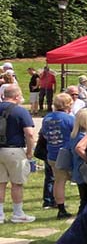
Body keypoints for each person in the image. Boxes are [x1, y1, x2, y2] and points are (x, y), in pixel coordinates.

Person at [0, 84, 36, 223]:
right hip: (14, 149)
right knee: (17, 183)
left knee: (0, 183)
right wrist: (29, 151)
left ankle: (0, 214)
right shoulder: (20, 111)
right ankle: (17, 213)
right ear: (16, 96)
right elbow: (29, 133)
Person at [42, 93, 76, 219]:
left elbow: (45, 135)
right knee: (77, 178)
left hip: (52, 153)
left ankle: (60, 207)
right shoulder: (70, 119)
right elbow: (75, 135)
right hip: (67, 153)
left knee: (58, 181)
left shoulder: (47, 118)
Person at [69, 108, 87, 214]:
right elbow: (79, 149)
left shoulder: (74, 134)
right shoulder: (82, 136)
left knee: (84, 198)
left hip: (78, 170)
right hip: (85, 171)